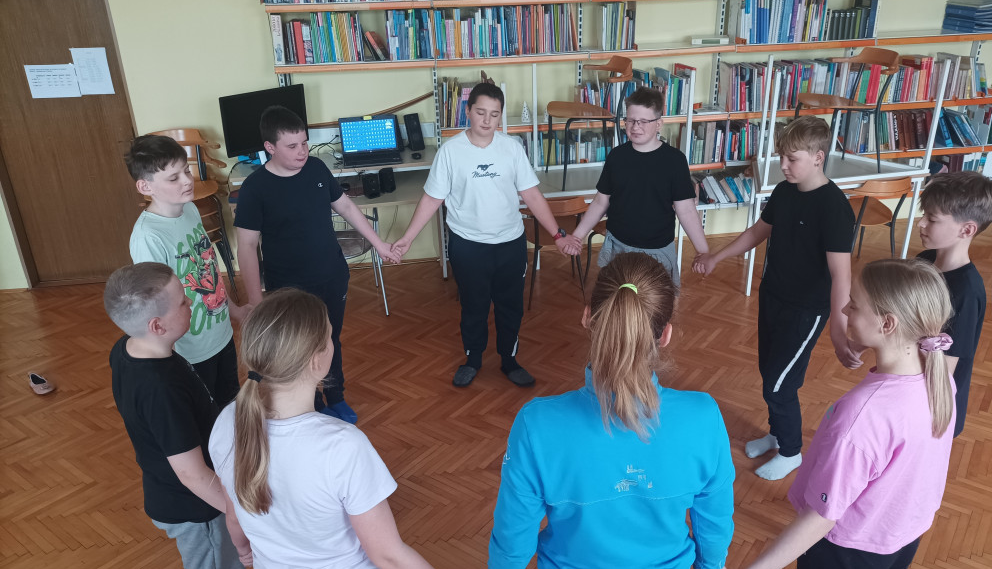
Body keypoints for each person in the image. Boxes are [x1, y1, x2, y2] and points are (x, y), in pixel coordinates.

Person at [207, 288, 516, 569]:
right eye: (329, 336)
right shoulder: (342, 445)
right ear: (316, 361)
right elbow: (388, 555)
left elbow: (234, 516)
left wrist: (244, 549)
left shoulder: (228, 422)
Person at [695, 258, 956, 569]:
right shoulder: (940, 381)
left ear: (888, 324)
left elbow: (820, 519)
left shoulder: (863, 416)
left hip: (845, 556)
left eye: (855, 304)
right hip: (899, 540)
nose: (845, 309)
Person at [484, 253, 735, 569]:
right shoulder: (703, 416)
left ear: (588, 318)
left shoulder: (536, 423)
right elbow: (714, 513)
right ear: (665, 334)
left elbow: (515, 525)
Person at [104, 262, 261, 569]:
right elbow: (191, 473)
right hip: (197, 509)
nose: (191, 302)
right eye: (182, 302)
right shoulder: (161, 389)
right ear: (157, 325)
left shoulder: (127, 348)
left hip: (176, 493)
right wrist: (236, 510)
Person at [693, 116, 860, 480]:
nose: (783, 165)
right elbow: (757, 232)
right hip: (773, 296)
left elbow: (841, 275)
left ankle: (791, 451)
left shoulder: (833, 208)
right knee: (769, 371)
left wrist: (839, 328)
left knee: (780, 383)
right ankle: (777, 433)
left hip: (807, 310)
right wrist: (717, 256)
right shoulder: (785, 191)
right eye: (781, 156)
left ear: (818, 157)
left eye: (791, 158)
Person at [391, 83, 566, 389]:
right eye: (481, 112)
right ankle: (472, 359)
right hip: (468, 245)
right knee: (474, 307)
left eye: (494, 114)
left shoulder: (512, 148)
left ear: (500, 117)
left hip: (510, 243)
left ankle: (509, 360)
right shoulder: (450, 151)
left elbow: (532, 195)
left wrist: (557, 233)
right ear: (468, 111)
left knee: (510, 307)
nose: (487, 120)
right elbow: (433, 198)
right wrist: (407, 238)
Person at [234, 106, 395, 424]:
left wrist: (379, 245)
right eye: (292, 146)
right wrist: (256, 301)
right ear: (270, 147)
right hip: (288, 287)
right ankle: (312, 403)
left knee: (330, 339)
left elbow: (346, 207)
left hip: (332, 276)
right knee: (298, 347)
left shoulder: (317, 169)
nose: (302, 151)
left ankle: (336, 397)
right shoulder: (255, 188)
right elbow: (247, 247)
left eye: (305, 143)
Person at [126, 134, 245, 410]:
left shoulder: (190, 209)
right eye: (173, 178)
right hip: (190, 351)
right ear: (145, 186)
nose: (187, 181)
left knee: (231, 406)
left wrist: (234, 310)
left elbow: (208, 270)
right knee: (206, 417)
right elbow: (154, 305)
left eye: (186, 171)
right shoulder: (148, 237)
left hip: (221, 334)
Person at [561, 86, 709, 285]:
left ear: (659, 124)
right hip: (618, 246)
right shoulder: (616, 156)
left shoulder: (675, 161)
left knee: (655, 302)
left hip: (657, 250)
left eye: (643, 121)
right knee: (617, 298)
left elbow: (687, 210)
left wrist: (703, 251)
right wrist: (577, 237)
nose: (635, 127)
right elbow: (600, 202)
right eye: (630, 120)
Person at [917, 170, 992, 436]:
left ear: (967, 229)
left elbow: (944, 370)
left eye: (932, 219)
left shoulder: (966, 292)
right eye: (924, 214)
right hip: (909, 382)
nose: (921, 223)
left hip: (933, 409)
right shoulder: (923, 261)